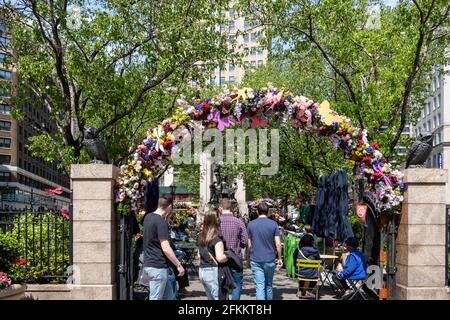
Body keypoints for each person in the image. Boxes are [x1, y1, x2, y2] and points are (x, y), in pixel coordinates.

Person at [143, 195, 185, 300]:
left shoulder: (148, 217)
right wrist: (178, 264)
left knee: (170, 297)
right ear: (169, 207)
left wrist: (166, 218)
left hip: (150, 263)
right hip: (158, 266)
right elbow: (166, 247)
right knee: (155, 298)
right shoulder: (161, 222)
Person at [246, 202, 283, 300]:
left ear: (257, 211)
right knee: (269, 285)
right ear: (268, 212)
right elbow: (278, 243)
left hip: (256, 258)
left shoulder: (251, 224)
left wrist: (248, 258)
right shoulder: (274, 224)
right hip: (270, 258)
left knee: (259, 286)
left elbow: (249, 244)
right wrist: (279, 258)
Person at [218, 198, 248, 300]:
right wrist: (239, 245)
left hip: (220, 258)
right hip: (236, 258)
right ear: (231, 208)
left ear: (220, 208)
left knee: (222, 285)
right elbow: (244, 241)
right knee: (237, 284)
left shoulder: (217, 222)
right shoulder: (239, 222)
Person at [198, 212, 228, 300]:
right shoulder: (216, 239)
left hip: (202, 271)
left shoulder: (200, 236)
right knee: (218, 297)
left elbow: (199, 255)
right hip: (213, 270)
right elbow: (220, 258)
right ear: (216, 221)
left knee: (210, 297)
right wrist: (229, 256)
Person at [294, 234, 321, 298]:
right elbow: (319, 260)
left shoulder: (298, 250)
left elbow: (294, 260)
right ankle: (309, 291)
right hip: (313, 274)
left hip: (300, 273)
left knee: (303, 271)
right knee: (316, 271)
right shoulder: (315, 251)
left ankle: (300, 290)